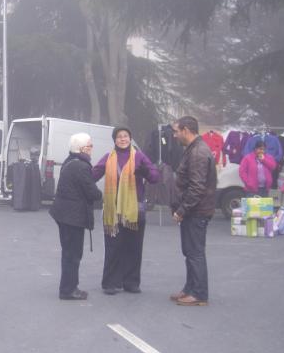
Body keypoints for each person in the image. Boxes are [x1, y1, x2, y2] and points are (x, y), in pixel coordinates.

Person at [92, 127, 159, 295]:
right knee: (113, 247)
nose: (123, 139)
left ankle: (131, 283)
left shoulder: (139, 157)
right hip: (113, 210)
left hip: (134, 210)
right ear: (114, 140)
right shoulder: (108, 158)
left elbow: (154, 177)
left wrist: (145, 171)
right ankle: (110, 283)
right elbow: (92, 175)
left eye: (126, 136)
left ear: (130, 138)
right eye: (119, 137)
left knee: (134, 247)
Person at [49, 133, 102, 300]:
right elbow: (92, 192)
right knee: (73, 254)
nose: (92, 149)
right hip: (72, 216)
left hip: (64, 213)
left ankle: (69, 287)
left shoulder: (70, 161)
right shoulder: (81, 166)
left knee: (68, 253)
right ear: (83, 148)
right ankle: (68, 290)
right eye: (90, 146)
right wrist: (102, 195)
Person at [170, 116, 217, 306]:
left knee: (195, 252)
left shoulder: (197, 152)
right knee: (190, 251)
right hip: (194, 211)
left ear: (186, 130)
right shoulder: (193, 149)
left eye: (176, 131)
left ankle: (199, 294)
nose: (174, 135)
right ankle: (190, 289)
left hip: (196, 211)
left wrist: (181, 210)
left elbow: (197, 188)